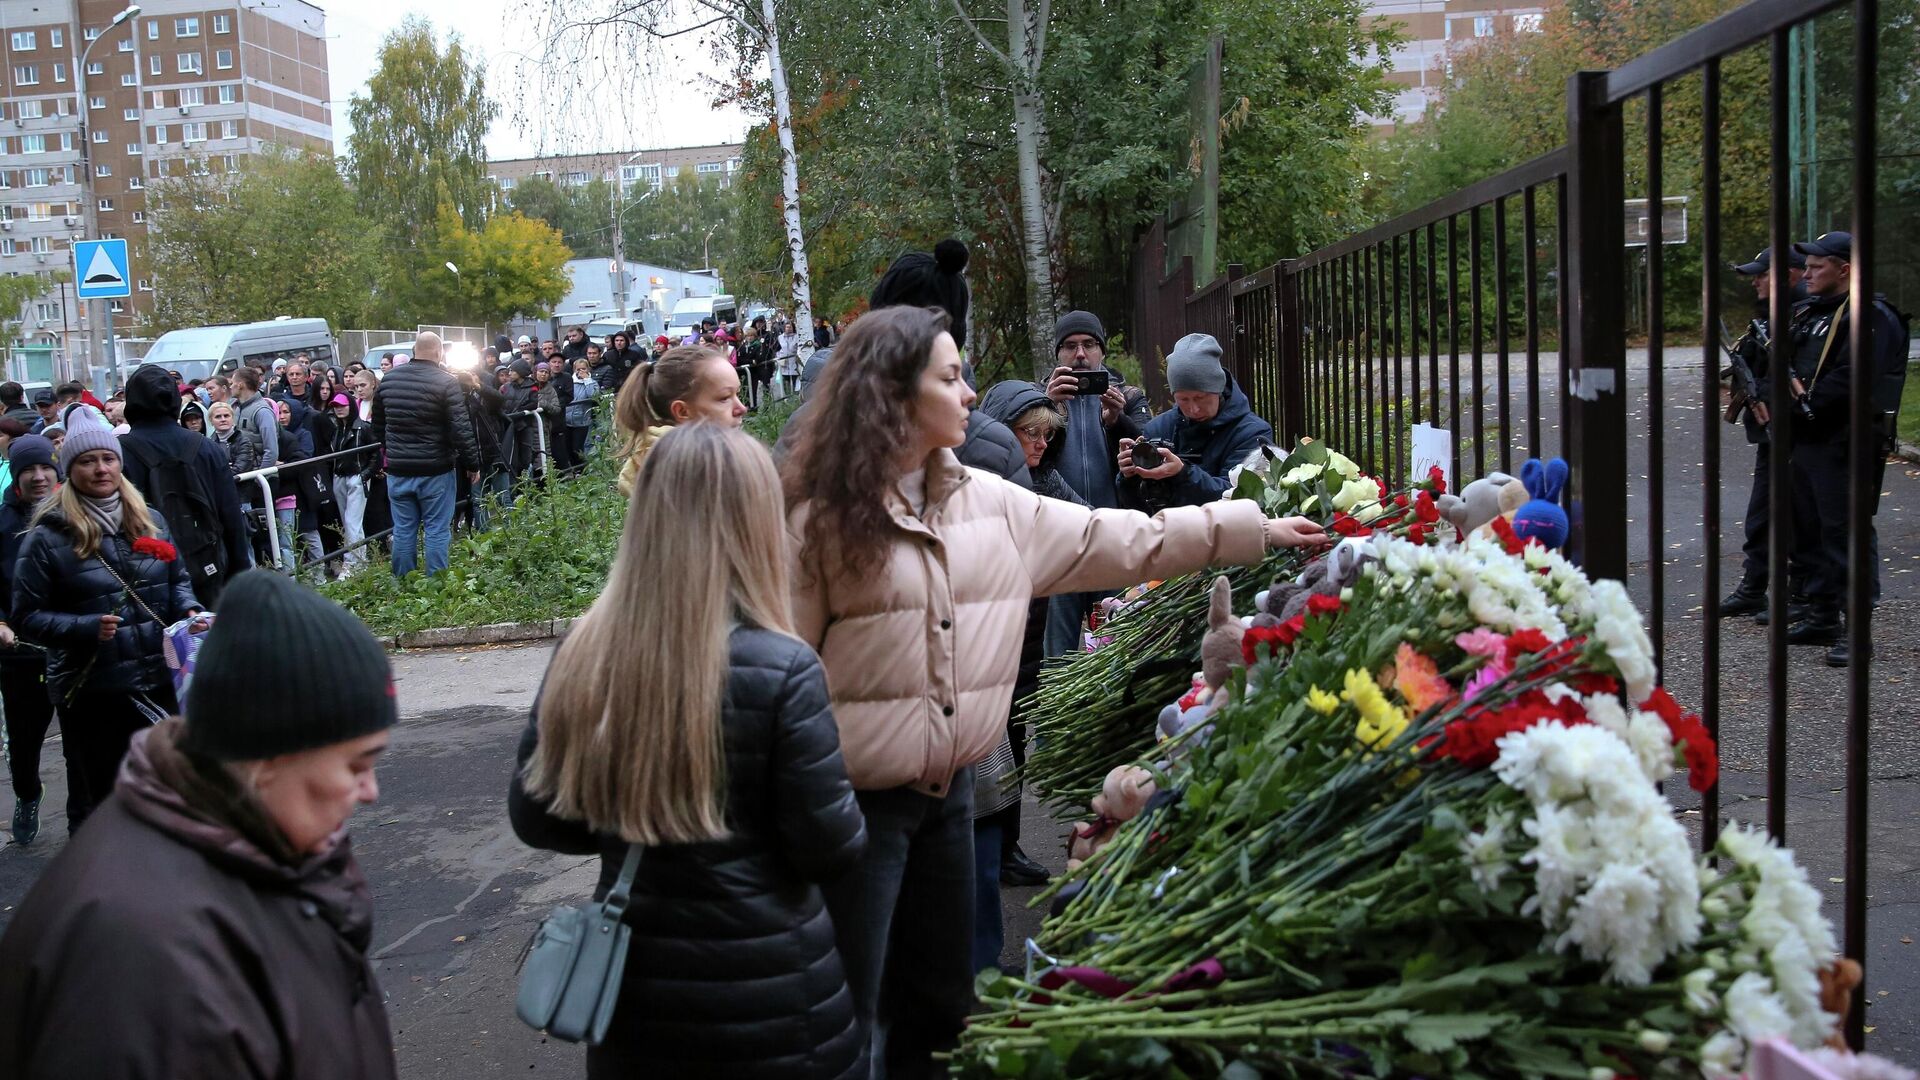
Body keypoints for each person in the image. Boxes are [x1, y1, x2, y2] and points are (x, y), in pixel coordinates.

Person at [780, 305, 1327, 1075]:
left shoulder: (987, 499)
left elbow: (1117, 538)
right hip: (848, 808)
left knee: (938, 1005)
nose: (969, 394)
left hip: (949, 799)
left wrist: (1255, 530)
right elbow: (777, 669)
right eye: (949, 378)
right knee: (838, 1009)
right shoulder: (816, 517)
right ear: (892, 394)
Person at [510, 424, 866, 1080]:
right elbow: (829, 848)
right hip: (775, 1005)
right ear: (756, 523)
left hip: (635, 1008)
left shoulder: (583, 653)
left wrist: (641, 808)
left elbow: (539, 818)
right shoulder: (783, 669)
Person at [0, 570, 399, 1079]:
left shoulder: (260, 844)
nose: (371, 791)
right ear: (267, 754)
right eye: (356, 764)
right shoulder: (143, 968)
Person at [12, 408, 207, 828]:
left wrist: (189, 610)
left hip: (159, 679)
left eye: (108, 459)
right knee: (107, 805)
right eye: (87, 461)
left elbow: (177, 581)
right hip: (95, 692)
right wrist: (84, 628)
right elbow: (27, 617)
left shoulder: (149, 519)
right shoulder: (48, 536)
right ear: (69, 469)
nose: (101, 469)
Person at [1781, 231, 1911, 665]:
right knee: (1810, 529)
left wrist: (1807, 404)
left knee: (1845, 534)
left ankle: (1856, 630)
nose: (1808, 274)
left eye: (1818, 267)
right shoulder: (1816, 312)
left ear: (1846, 270)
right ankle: (1822, 615)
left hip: (1844, 441)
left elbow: (1851, 377)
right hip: (1810, 439)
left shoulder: (1870, 316)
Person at [1040, 310, 1154, 656]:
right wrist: (1048, 409)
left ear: (1101, 351)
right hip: (1061, 543)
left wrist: (1117, 422)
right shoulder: (1041, 397)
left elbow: (1150, 456)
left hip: (1114, 540)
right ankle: (1055, 709)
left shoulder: (1129, 397)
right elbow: (1029, 462)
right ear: (1058, 353)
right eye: (1070, 346)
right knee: (1058, 656)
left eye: (1089, 344)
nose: (1080, 355)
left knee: (1118, 645)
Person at [1720, 247, 1811, 621]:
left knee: (1801, 518)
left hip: (1799, 434)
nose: (1755, 281)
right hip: (1770, 435)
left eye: (1762, 274)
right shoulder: (1769, 318)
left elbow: (1802, 377)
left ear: (1790, 275)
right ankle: (1754, 587)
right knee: (1761, 516)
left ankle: (1802, 594)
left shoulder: (1804, 317)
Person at [118, 365, 254, 606]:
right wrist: (239, 574)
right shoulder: (206, 447)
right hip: (207, 570)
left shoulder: (116, 454)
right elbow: (231, 517)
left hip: (146, 580)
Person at [1, 435, 70, 844]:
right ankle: (28, 793)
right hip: (22, 652)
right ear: (16, 476)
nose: (39, 476)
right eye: (29, 469)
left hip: (74, 643)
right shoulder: (3, 524)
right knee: (25, 742)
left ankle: (88, 818)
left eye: (45, 467)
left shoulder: (74, 514)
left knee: (82, 740)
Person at [1117, 332, 1273, 512]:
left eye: (1200, 397)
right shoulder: (1158, 428)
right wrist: (1129, 477)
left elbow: (1241, 498)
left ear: (1219, 389)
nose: (1193, 409)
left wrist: (1182, 474)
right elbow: (1136, 509)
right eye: (1183, 399)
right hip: (1166, 534)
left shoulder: (1253, 433)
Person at [370, 331, 481, 578]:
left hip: (398, 470)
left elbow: (377, 426)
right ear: (439, 352)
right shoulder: (446, 382)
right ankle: (436, 585)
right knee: (437, 529)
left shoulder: (389, 380)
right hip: (436, 469)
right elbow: (460, 428)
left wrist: (393, 449)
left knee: (403, 529)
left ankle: (403, 583)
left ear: (414, 351)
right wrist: (472, 463)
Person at [612, 345, 748, 497]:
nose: (742, 408)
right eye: (724, 398)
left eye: (737, 394)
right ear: (682, 411)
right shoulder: (698, 479)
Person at [328, 393, 375, 573]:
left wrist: (365, 475)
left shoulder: (363, 428)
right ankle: (360, 561)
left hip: (356, 476)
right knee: (350, 522)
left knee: (351, 521)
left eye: (342, 405)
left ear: (351, 406)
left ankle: (351, 564)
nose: (338, 409)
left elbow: (375, 452)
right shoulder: (337, 429)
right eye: (335, 406)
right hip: (340, 477)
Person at [565, 356, 600, 461]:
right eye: (578, 369)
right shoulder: (570, 382)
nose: (581, 371)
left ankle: (580, 470)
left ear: (588, 369)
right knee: (568, 448)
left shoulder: (592, 383)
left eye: (583, 369)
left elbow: (594, 396)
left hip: (582, 421)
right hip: (567, 421)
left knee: (578, 449)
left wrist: (587, 380)